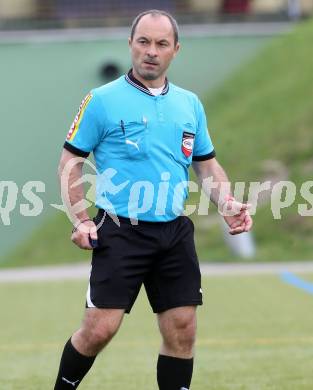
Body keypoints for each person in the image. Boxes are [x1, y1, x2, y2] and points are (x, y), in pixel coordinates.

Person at [54, 9, 253, 390]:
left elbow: (207, 166)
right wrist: (80, 220)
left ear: (176, 50)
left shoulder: (190, 104)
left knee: (183, 330)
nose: (151, 51)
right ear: (130, 45)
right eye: (143, 41)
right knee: (99, 330)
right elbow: (70, 162)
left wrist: (227, 204)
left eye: (161, 43)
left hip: (174, 232)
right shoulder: (101, 100)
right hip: (119, 230)